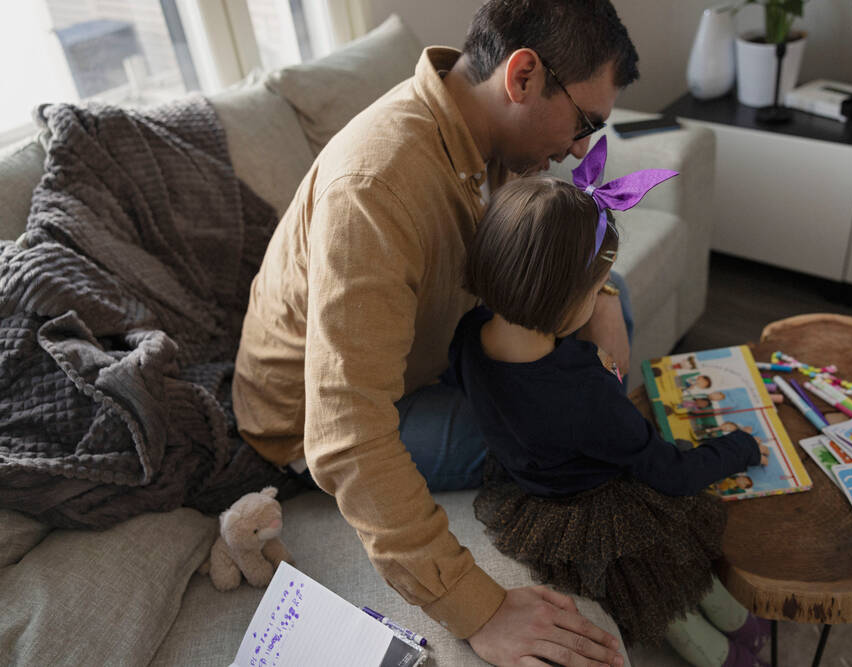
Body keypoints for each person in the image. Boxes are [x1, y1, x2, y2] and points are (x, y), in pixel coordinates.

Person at [232, 1, 642, 664]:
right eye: (584, 122)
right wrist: (477, 606)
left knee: (616, 318)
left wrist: (601, 299)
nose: (580, 149)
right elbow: (346, 432)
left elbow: (542, 255)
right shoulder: (379, 185)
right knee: (570, 430)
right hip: (310, 418)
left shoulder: (488, 139)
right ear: (524, 77)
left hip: (433, 345)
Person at [448, 141, 772, 666]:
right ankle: (743, 646)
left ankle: (740, 638)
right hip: (602, 510)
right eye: (599, 289)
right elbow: (673, 474)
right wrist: (738, 448)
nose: (604, 295)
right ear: (565, 302)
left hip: (532, 496)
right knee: (670, 590)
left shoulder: (468, 335)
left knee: (670, 589)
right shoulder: (586, 390)